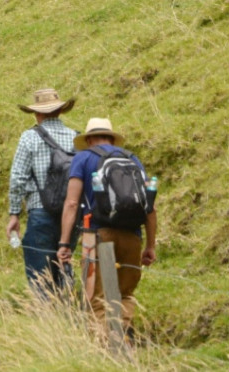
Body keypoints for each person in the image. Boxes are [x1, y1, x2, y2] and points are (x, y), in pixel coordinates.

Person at [57, 118, 156, 333]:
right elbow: (149, 206)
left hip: (98, 234)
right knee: (125, 294)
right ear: (111, 138)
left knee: (97, 296)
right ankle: (124, 339)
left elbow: (72, 202)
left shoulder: (83, 158)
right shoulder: (132, 159)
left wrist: (64, 242)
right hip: (132, 235)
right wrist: (150, 246)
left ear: (89, 138)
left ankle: (104, 351)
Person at [7, 88, 78, 294]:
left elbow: (17, 178)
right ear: (60, 111)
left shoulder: (30, 137)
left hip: (40, 212)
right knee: (63, 267)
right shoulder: (76, 138)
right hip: (70, 215)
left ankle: (47, 319)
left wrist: (14, 213)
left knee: (40, 276)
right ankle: (68, 312)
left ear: (37, 113)